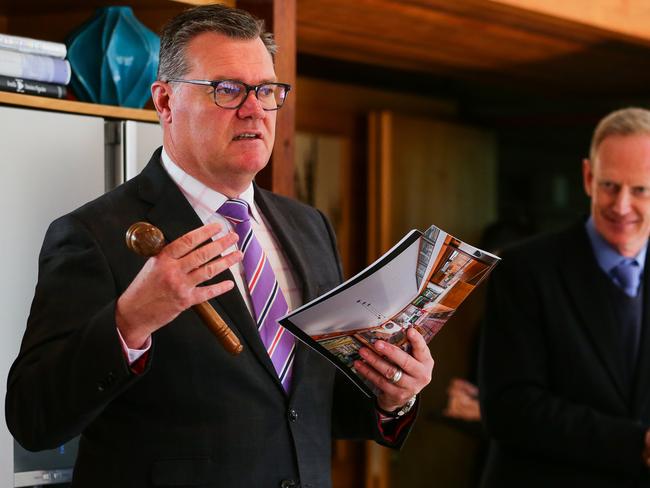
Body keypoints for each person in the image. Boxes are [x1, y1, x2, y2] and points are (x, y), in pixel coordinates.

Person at [5, 5, 434, 488]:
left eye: (267, 91)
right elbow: (32, 418)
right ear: (165, 102)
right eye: (227, 90)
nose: (254, 108)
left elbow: (304, 410)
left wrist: (392, 397)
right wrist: (130, 321)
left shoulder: (309, 226)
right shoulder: (92, 235)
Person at [479, 107, 650, 487]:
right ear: (588, 177)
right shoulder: (524, 268)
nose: (621, 206)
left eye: (639, 190)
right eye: (609, 185)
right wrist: (636, 444)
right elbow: (508, 409)